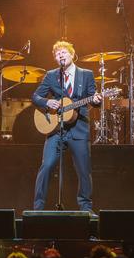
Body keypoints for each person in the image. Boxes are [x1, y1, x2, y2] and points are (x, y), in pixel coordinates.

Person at [32, 40, 101, 214]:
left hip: (79, 129)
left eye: (63, 52)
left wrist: (97, 100)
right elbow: (36, 97)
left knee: (84, 170)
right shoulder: (51, 75)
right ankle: (38, 208)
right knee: (46, 166)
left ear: (72, 54)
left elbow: (93, 98)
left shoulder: (86, 74)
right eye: (57, 54)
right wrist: (48, 101)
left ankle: (86, 208)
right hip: (56, 130)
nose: (60, 55)